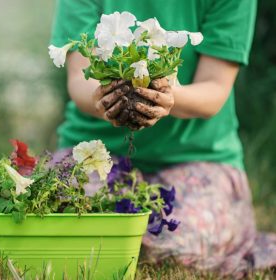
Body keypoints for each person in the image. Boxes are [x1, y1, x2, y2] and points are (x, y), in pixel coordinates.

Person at [50, 0, 276, 278]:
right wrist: (102, 100)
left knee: (176, 244)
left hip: (196, 157)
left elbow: (215, 89)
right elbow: (78, 79)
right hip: (96, 152)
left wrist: (169, 96)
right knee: (66, 222)